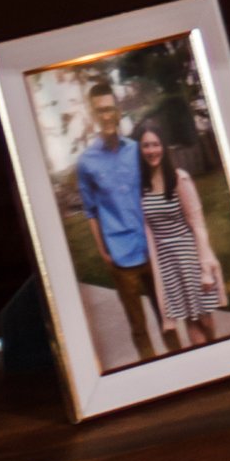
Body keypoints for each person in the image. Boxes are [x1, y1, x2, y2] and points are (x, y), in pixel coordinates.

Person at [71, 81, 164, 364]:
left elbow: (156, 188)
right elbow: (90, 212)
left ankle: (180, 364)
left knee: (168, 317)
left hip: (150, 248)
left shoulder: (136, 150)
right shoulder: (86, 163)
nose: (107, 116)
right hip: (121, 257)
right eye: (100, 111)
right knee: (138, 326)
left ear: (119, 111)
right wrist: (104, 253)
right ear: (92, 115)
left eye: (110, 109)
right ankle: (152, 372)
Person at [134, 120, 225, 349]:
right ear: (139, 149)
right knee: (188, 319)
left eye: (156, 144)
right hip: (166, 264)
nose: (151, 150)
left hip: (190, 257)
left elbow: (198, 224)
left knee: (204, 316)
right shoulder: (140, 187)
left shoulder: (178, 178)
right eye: (146, 146)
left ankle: (219, 353)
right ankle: (206, 366)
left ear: (163, 147)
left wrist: (205, 268)